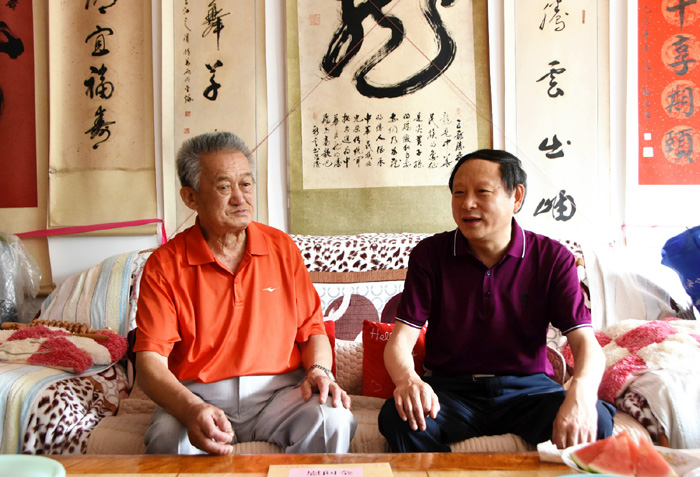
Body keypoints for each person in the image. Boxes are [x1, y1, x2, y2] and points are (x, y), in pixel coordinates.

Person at [133, 131, 356, 455]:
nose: (240, 198)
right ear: (190, 197)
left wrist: (320, 372)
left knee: (333, 419)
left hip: (280, 394)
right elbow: (149, 363)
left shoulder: (282, 249)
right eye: (224, 187)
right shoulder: (164, 265)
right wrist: (190, 408)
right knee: (169, 439)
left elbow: (313, 332)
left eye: (246, 184)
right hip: (198, 395)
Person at [378, 149, 615, 452]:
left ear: (516, 197)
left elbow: (585, 342)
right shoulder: (430, 255)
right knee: (398, 418)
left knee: (598, 420)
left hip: (528, 391)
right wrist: (408, 380)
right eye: (459, 193)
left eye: (482, 192)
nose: (467, 203)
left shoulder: (552, 258)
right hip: (450, 392)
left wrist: (581, 392)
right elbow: (400, 342)